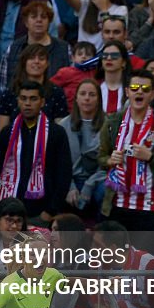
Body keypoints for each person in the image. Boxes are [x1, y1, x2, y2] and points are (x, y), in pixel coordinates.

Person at [99, 69, 154, 249]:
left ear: (152, 94)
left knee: (142, 266)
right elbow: (100, 158)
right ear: (127, 91)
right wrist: (109, 160)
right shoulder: (112, 122)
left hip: (150, 208)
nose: (139, 92)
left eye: (145, 89)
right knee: (116, 264)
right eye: (135, 87)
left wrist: (151, 157)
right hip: (117, 204)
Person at [0, 80, 72, 224]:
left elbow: (64, 175)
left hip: (41, 214)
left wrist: (50, 212)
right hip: (10, 214)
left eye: (33, 99)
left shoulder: (56, 133)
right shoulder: (7, 133)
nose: (27, 103)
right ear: (18, 101)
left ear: (42, 102)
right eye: (23, 98)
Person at [58, 79, 106, 213]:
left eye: (92, 95)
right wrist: (70, 186)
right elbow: (59, 163)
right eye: (83, 94)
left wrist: (89, 185)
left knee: (107, 189)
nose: (87, 98)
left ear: (99, 99)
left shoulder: (109, 126)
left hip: (97, 180)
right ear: (76, 99)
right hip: (70, 179)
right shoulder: (63, 125)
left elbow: (109, 165)